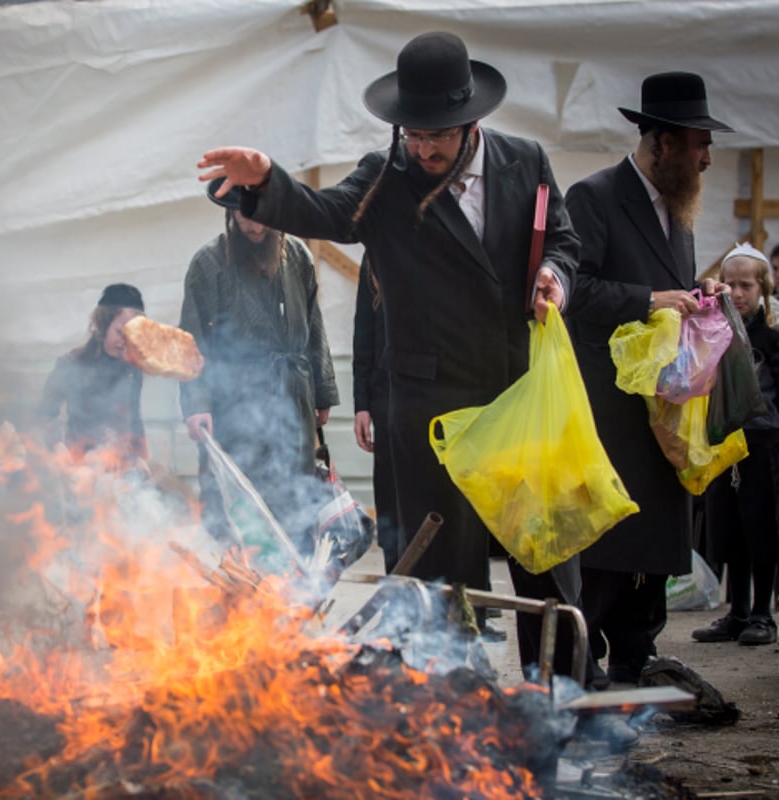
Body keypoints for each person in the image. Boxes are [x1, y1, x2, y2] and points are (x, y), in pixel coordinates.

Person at [197, 31, 586, 680]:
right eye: (413, 133)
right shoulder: (386, 176)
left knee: (547, 555)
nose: (425, 147)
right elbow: (325, 211)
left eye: (439, 134)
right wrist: (266, 184)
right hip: (431, 405)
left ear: (473, 121)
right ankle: (455, 704)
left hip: (521, 395)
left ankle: (566, 695)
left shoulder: (527, 161)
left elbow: (565, 241)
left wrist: (555, 275)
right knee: (443, 574)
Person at [565, 72, 732, 684]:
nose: (707, 158)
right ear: (660, 142)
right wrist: (649, 297)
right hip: (609, 411)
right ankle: (584, 665)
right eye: (697, 144)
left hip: (662, 410)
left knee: (657, 543)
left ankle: (636, 657)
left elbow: (671, 297)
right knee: (609, 547)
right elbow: (572, 289)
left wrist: (698, 294)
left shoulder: (680, 213)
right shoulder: (594, 197)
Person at [179, 177, 339, 560]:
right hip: (233, 404)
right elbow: (191, 342)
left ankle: (293, 601)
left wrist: (321, 390)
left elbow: (314, 325)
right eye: (243, 217)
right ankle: (243, 603)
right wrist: (197, 404)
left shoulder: (297, 256)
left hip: (291, 399)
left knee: (295, 500)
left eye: (260, 217)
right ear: (230, 215)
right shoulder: (208, 263)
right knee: (239, 507)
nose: (252, 227)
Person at [691, 243, 779, 645]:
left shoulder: (771, 335)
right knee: (729, 528)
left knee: (762, 528)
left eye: (746, 285)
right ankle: (737, 611)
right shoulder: (714, 327)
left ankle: (763, 613)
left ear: (763, 289)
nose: (738, 293)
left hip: (763, 444)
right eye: (731, 284)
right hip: (723, 443)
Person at [39, 283, 148, 462]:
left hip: (121, 467)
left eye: (132, 335)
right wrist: (58, 449)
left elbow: (135, 422)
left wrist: (142, 459)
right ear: (102, 324)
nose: (125, 341)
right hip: (80, 466)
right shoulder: (71, 364)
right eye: (120, 332)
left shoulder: (132, 370)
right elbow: (45, 414)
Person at [351, 256, 400, 575]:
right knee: (390, 496)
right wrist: (362, 404)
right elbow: (364, 332)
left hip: (435, 396)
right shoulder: (375, 254)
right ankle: (396, 579)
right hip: (385, 396)